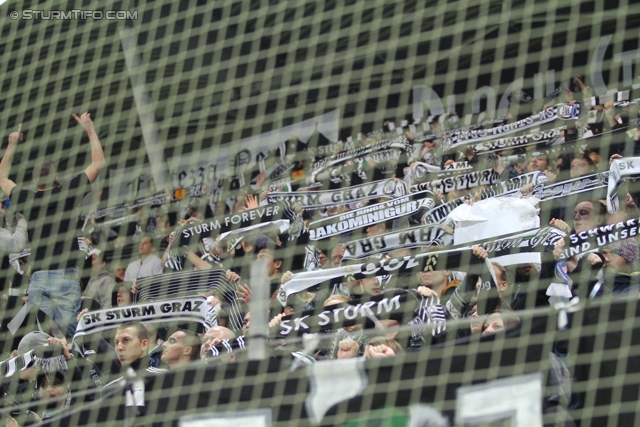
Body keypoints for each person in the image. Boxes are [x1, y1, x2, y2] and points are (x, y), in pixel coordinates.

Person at [0, 114, 106, 337]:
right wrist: (89, 129)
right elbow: (98, 163)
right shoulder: (67, 192)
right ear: (56, 176)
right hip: (65, 275)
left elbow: (1, 177)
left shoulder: (26, 199)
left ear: (35, 182)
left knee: (46, 332)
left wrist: (11, 145)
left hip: (37, 277)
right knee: (73, 333)